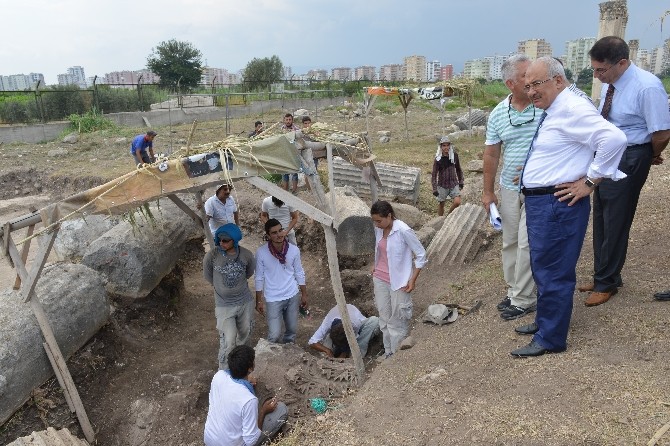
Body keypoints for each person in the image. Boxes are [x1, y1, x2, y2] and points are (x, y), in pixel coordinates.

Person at [511, 57, 627, 357]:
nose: (532, 91)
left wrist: (590, 181)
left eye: (537, 84)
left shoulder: (572, 108)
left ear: (558, 81)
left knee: (553, 272)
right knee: (543, 268)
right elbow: (565, 149)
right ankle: (545, 322)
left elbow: (614, 138)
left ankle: (551, 339)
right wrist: (530, 172)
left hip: (556, 204)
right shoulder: (555, 108)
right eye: (528, 86)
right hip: (543, 202)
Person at [580, 36, 670, 306]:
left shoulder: (646, 87)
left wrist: (650, 154)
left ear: (621, 62)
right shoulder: (613, 84)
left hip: (630, 155)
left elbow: (662, 132)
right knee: (602, 215)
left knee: (616, 218)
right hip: (609, 155)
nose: (597, 75)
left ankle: (607, 282)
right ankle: (603, 275)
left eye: (601, 70)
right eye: (594, 69)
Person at [482, 54, 539, 321]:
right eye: (524, 78)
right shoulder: (497, 114)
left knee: (527, 243)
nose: (531, 82)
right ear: (509, 84)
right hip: (509, 189)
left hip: (539, 188)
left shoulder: (545, 104)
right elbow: (491, 154)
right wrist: (488, 191)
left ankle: (524, 299)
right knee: (510, 241)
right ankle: (515, 289)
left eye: (532, 76)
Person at [370, 200, 426, 358]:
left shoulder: (403, 230)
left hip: (399, 282)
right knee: (384, 318)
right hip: (380, 279)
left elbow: (421, 255)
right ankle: (388, 352)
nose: (377, 224)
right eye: (374, 221)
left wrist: (413, 279)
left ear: (389, 216)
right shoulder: (379, 229)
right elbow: (380, 249)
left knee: (398, 320)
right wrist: (375, 264)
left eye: (379, 221)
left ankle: (396, 356)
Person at [203, 345, 288, 446]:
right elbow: (250, 441)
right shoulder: (248, 400)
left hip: (209, 440)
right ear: (250, 367)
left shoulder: (218, 376)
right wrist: (263, 411)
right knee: (282, 409)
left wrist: (246, 379)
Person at [203, 223, 256, 370]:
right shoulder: (212, 255)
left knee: (245, 336)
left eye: (226, 240)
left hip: (245, 302)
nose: (222, 243)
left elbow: (249, 272)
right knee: (229, 339)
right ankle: (224, 371)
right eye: (220, 240)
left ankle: (241, 369)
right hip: (224, 305)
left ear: (235, 240)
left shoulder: (246, 255)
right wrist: (222, 288)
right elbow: (208, 276)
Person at [255, 218, 308, 343]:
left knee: (291, 332)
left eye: (280, 230)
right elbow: (259, 277)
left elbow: (299, 272)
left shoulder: (294, 250)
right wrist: (258, 300)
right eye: (274, 233)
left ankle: (287, 357)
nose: (279, 235)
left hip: (292, 295)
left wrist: (304, 294)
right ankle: (267, 359)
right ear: (268, 235)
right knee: (274, 335)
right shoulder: (261, 252)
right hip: (273, 298)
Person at [308, 304, 380, 358]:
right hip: (339, 334)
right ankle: (333, 351)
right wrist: (327, 350)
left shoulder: (355, 324)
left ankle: (357, 355)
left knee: (374, 321)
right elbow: (312, 341)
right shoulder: (328, 322)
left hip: (358, 330)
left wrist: (344, 354)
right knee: (325, 353)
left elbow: (351, 342)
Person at [431, 136, 464, 216]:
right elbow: (434, 174)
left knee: (457, 202)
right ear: (441, 147)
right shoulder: (438, 159)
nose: (446, 147)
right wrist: (434, 188)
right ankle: (440, 220)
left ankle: (448, 216)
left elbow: (458, 169)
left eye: (447, 145)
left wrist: (461, 181)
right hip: (442, 185)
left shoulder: (454, 156)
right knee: (441, 204)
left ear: (450, 146)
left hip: (453, 183)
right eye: (444, 145)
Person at [280, 113, 300, 194]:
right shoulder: (281, 129)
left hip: (293, 153)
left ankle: (294, 191)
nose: (288, 121)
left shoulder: (296, 129)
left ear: (292, 120)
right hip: (284, 154)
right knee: (284, 173)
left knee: (294, 172)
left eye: (289, 119)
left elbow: (299, 141)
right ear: (284, 120)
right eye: (286, 120)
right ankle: (285, 191)